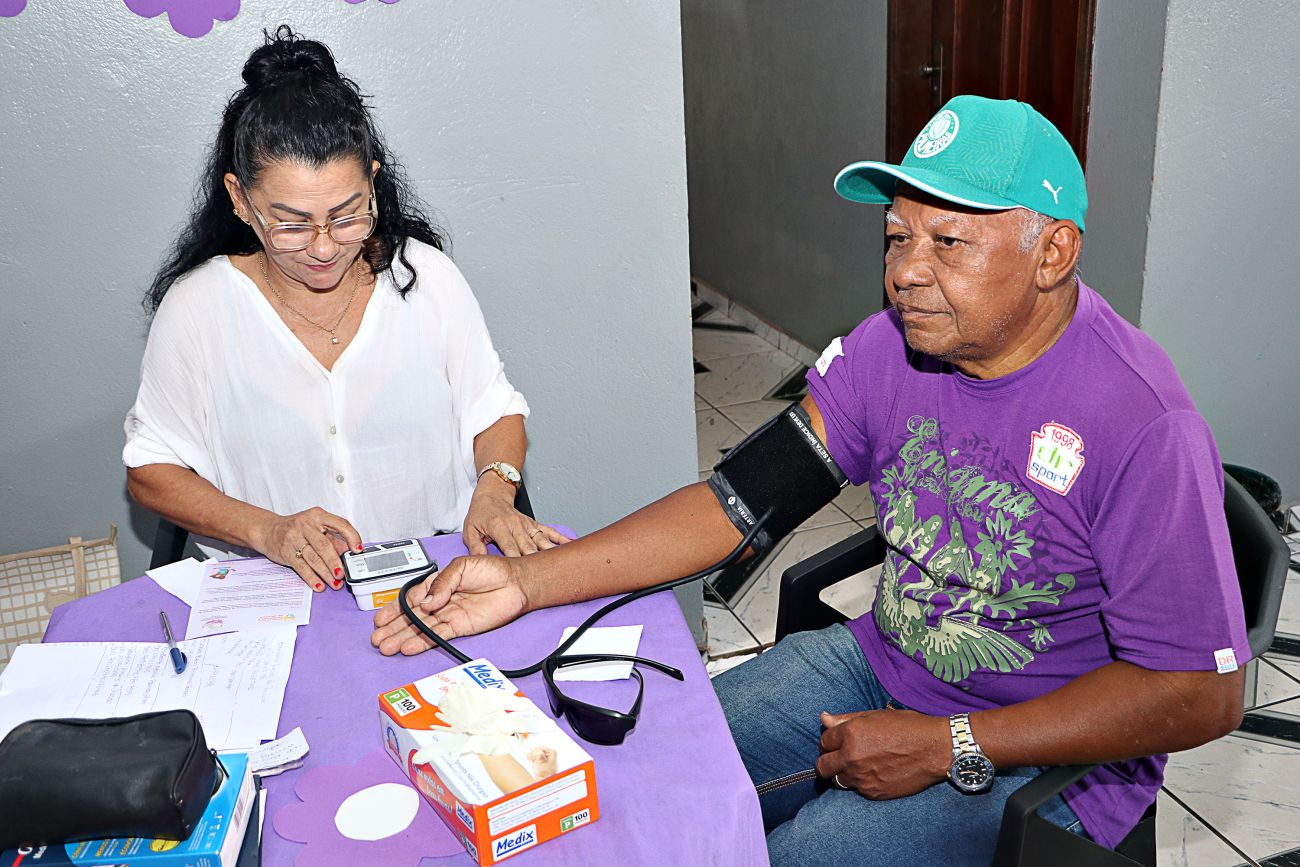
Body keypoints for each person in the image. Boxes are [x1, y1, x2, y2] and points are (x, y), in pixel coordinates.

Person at [370, 96, 1249, 864]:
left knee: (800, 856)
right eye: (897, 236)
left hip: (1042, 752)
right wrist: (525, 581)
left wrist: (950, 743)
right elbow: (735, 504)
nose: (905, 272)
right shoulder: (890, 347)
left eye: (948, 241)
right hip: (884, 661)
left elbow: (1202, 692)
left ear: (1052, 252)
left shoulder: (1141, 424)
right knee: (650, 776)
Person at [124, 27, 567, 592]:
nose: (324, 247)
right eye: (291, 224)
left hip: (435, 575)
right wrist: (269, 531)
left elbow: (495, 412)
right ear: (239, 199)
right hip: (276, 589)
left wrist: (495, 490)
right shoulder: (199, 309)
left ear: (373, 185)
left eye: (347, 215)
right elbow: (151, 470)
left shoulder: (425, 278)